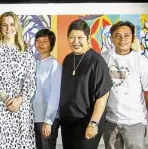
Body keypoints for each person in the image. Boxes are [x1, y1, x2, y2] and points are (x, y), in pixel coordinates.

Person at [101, 21, 148, 149]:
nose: (122, 39)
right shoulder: (104, 58)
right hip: (110, 120)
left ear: (133, 38)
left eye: (127, 35)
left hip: (135, 121)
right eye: (118, 35)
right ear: (112, 38)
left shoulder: (141, 61)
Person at [0, 11, 37, 148]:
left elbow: (30, 81)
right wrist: (7, 100)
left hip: (21, 109)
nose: (8, 29)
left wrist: (19, 100)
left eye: (12, 24)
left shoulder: (26, 52)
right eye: (4, 25)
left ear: (17, 27)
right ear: (0, 28)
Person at [59, 19, 112, 149]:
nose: (75, 41)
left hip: (87, 122)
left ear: (88, 38)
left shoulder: (97, 61)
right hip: (68, 122)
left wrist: (93, 123)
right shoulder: (68, 59)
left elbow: (103, 95)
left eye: (80, 37)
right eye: (71, 37)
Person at [32, 29, 62, 149]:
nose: (40, 44)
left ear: (51, 44)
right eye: (38, 41)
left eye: (45, 41)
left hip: (47, 119)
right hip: (33, 118)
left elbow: (55, 94)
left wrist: (48, 121)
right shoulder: (33, 62)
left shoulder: (54, 65)